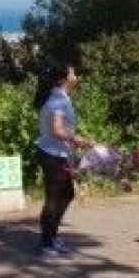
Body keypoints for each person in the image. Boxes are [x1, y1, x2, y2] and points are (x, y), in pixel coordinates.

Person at [34, 63, 93, 256]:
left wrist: (73, 145)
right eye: (72, 72)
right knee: (54, 198)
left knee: (66, 194)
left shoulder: (60, 97)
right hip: (52, 155)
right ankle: (46, 242)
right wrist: (79, 140)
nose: (75, 75)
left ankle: (52, 236)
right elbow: (57, 130)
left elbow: (60, 130)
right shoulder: (58, 99)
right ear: (63, 79)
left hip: (57, 154)